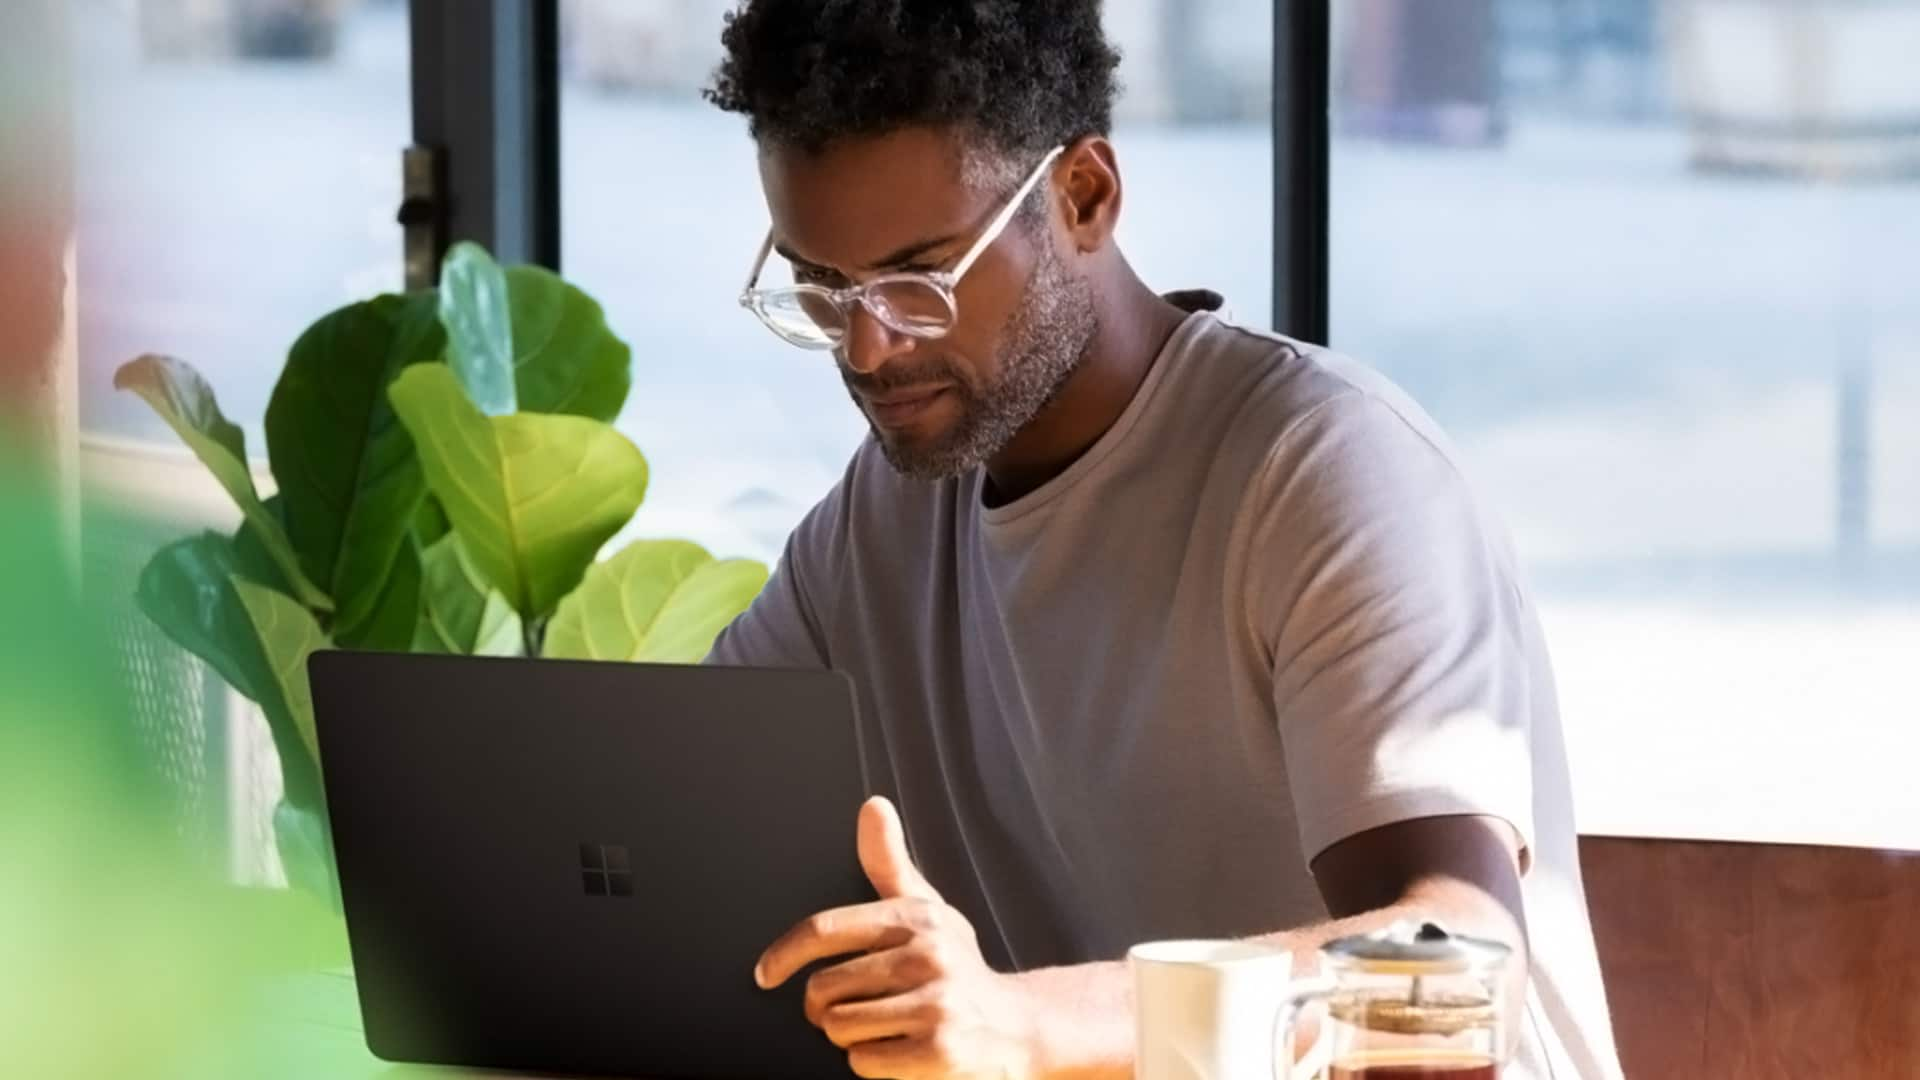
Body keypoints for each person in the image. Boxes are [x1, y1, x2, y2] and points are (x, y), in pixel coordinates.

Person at [702, 3, 1623, 1078]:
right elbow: (674, 816)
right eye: (823, 287)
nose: (866, 348)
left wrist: (1031, 1025)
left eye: (921, 282)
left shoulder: (1325, 470)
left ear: (1084, 196)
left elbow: (1457, 959)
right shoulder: (886, 518)